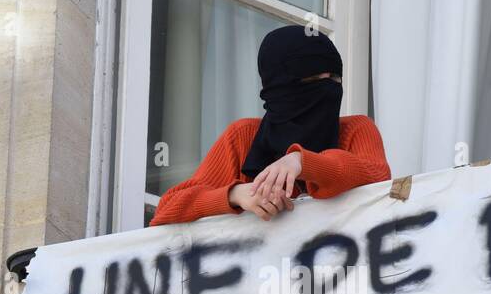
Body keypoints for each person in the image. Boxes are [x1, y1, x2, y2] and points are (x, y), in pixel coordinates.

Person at [149, 25, 391, 226]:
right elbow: (166, 211)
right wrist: (236, 195)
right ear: (279, 88)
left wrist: (300, 162)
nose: (327, 89)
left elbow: (378, 176)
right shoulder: (243, 138)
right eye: (313, 80)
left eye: (335, 78)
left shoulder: (356, 130)